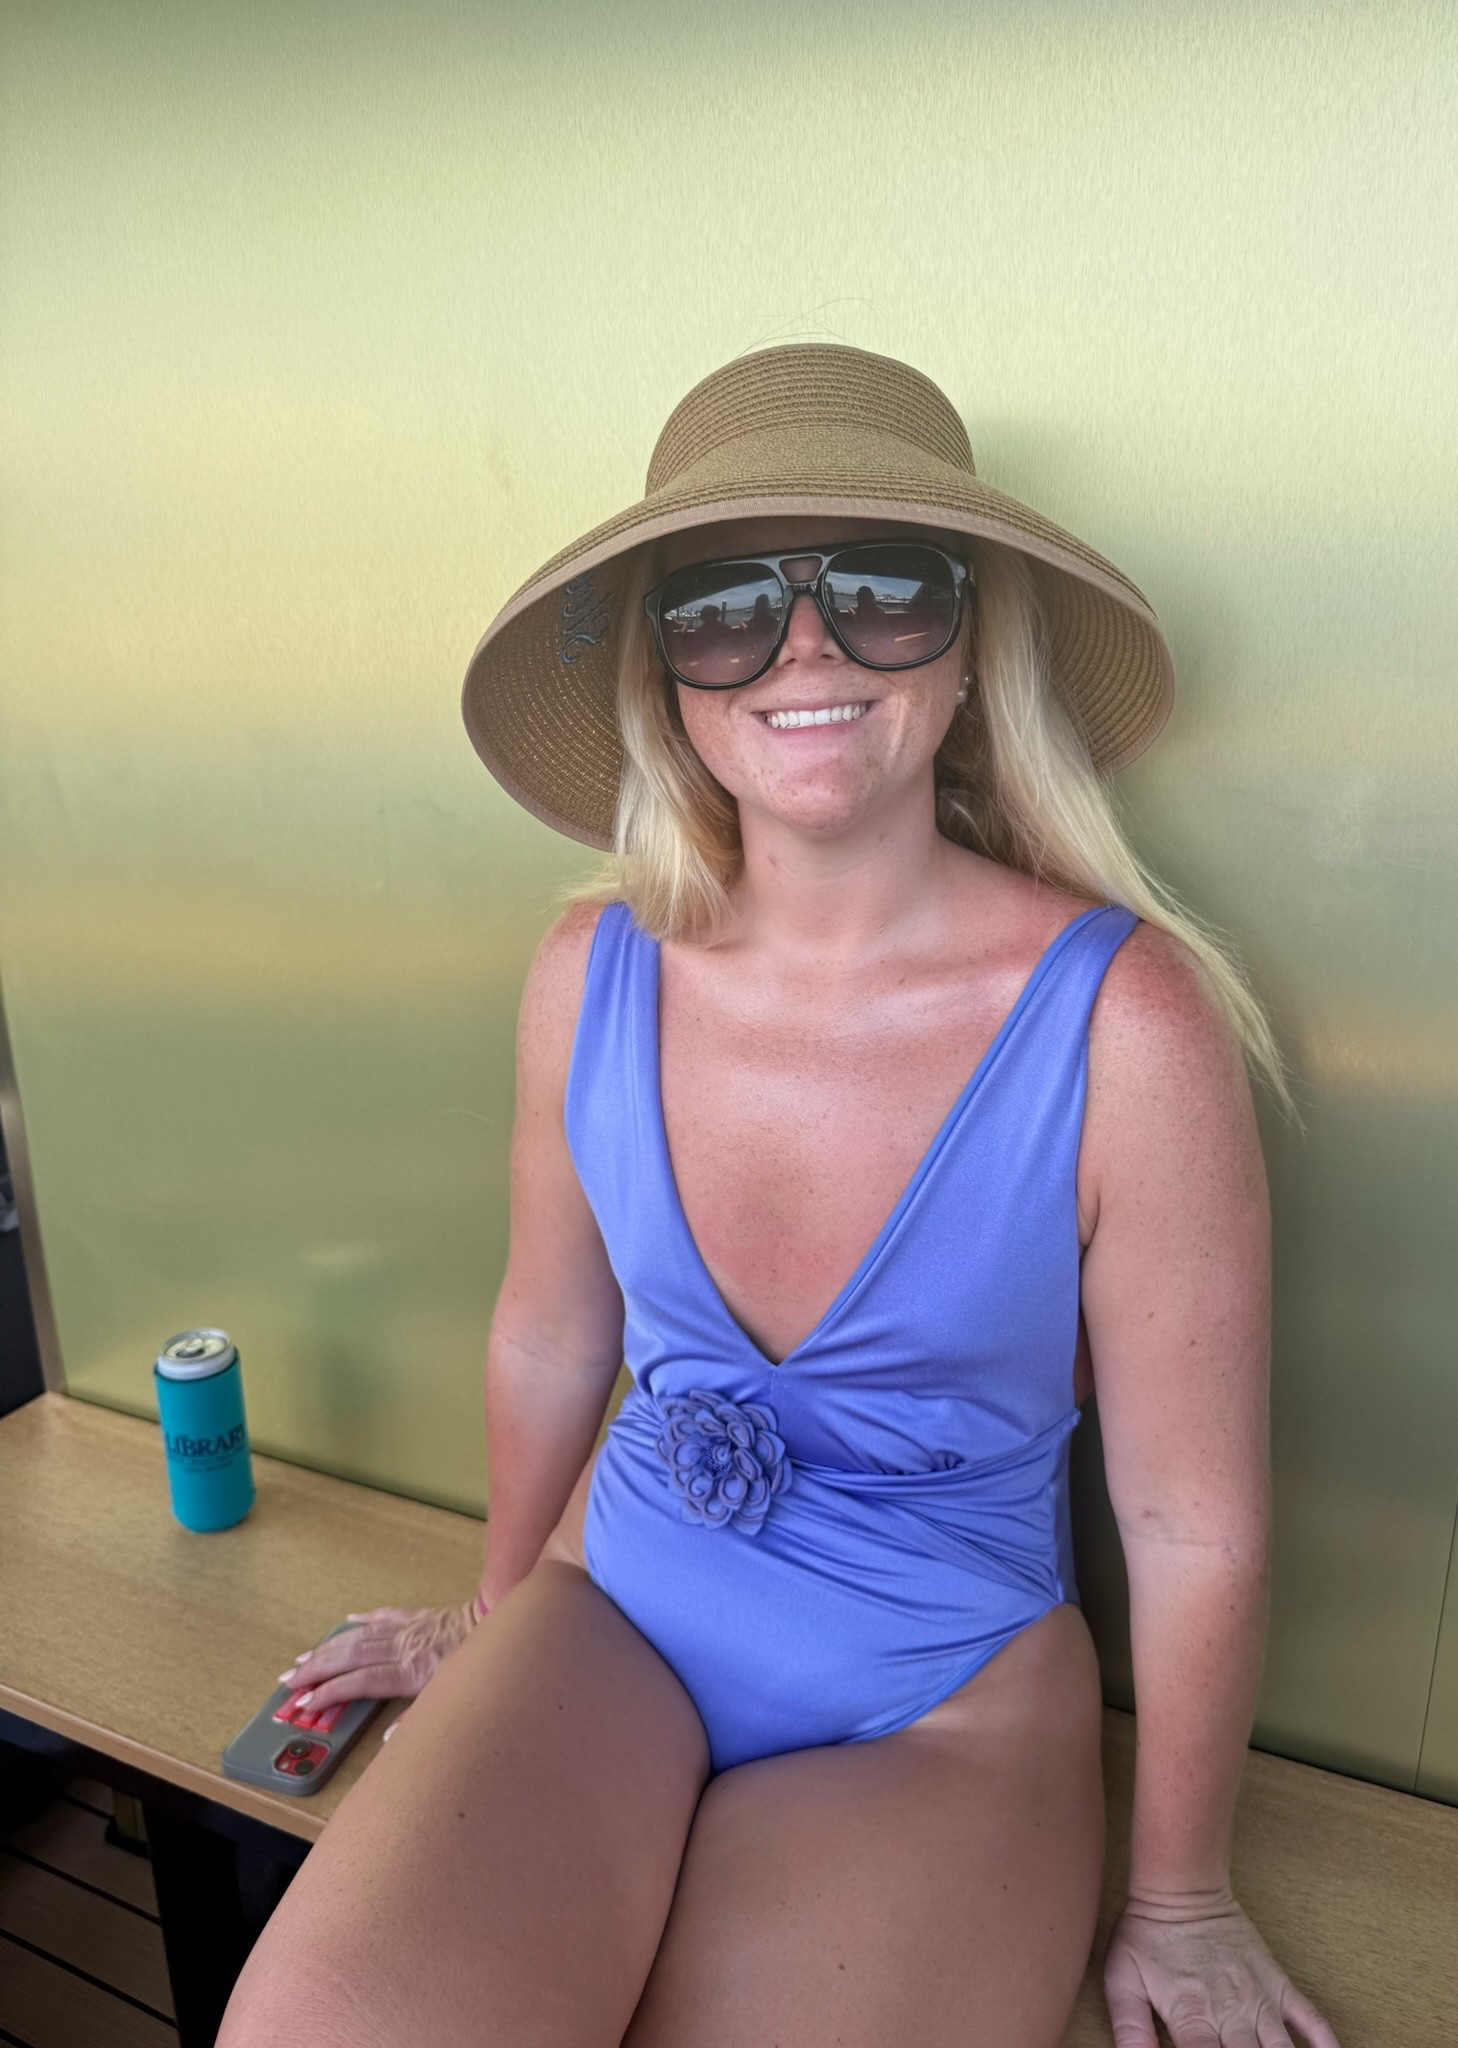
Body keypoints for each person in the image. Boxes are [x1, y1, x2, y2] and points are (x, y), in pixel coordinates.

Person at [217, 344, 1340, 2048]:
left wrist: (1181, 1898)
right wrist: (492, 1622)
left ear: (969, 649)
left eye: (883, 590)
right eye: (727, 608)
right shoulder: (586, 971)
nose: (806, 647)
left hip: (939, 1702)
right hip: (611, 1611)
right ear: (666, 670)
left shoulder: (1131, 1026)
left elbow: (1190, 1522)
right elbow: (549, 1337)